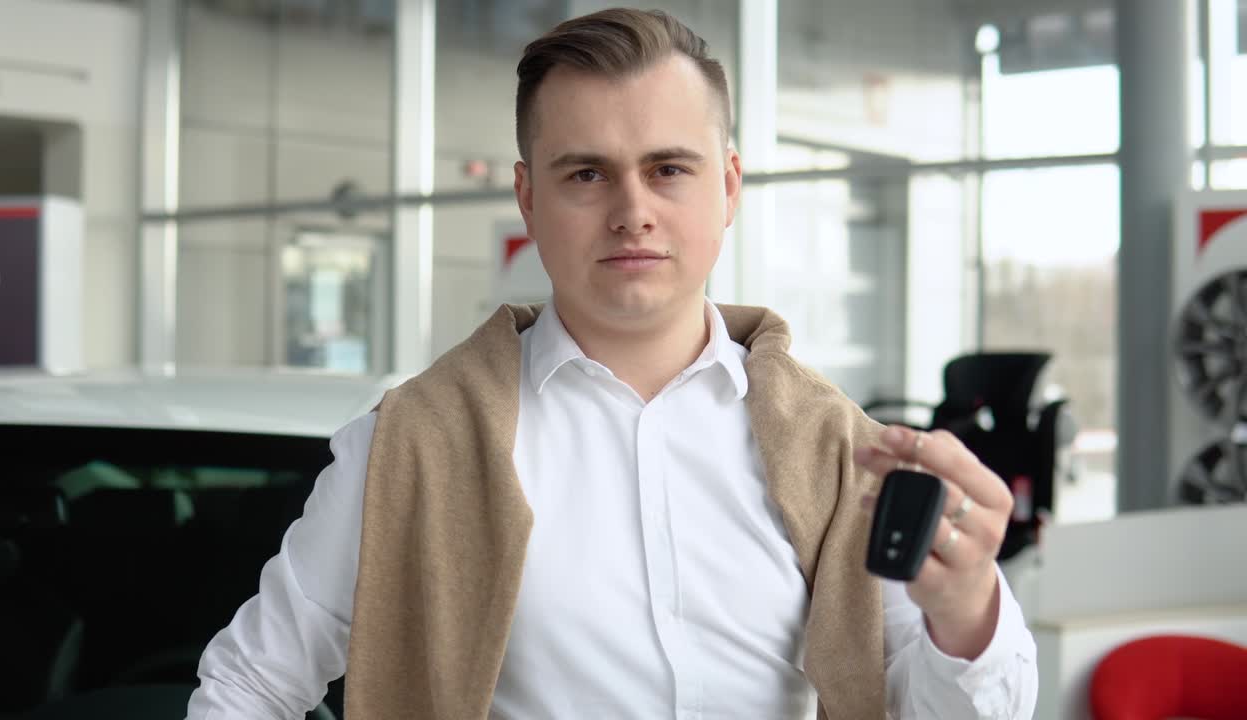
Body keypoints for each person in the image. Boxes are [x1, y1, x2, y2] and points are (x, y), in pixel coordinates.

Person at [186, 8, 1037, 719]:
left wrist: (965, 615)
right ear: (529, 197)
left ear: (729, 187)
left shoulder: (839, 450)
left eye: (669, 169)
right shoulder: (407, 446)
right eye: (586, 173)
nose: (633, 212)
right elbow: (250, 684)